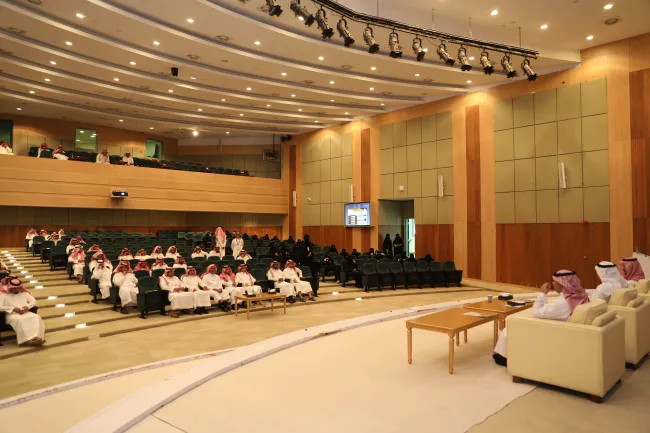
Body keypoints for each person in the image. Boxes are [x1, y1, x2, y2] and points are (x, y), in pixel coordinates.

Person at [493, 270, 589, 366]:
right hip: (562, 328)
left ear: (562, 284)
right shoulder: (580, 295)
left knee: (510, 328)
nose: (553, 283)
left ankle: (504, 358)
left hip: (551, 331)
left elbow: (536, 313)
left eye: (555, 281)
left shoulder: (563, 303)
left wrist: (542, 293)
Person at [0, 279, 45, 346]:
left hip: (25, 313)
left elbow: (34, 301)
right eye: (14, 288)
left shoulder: (25, 293)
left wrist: (27, 307)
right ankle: (28, 340)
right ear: (10, 287)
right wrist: (12, 309)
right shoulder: (4, 295)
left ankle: (37, 337)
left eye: (18, 288)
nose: (16, 290)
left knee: (36, 317)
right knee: (20, 320)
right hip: (12, 315)